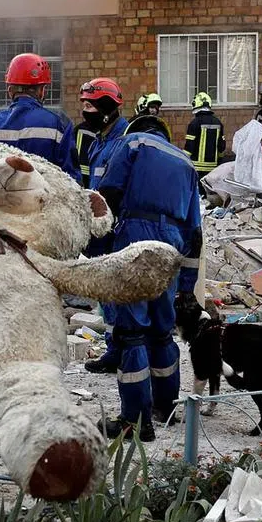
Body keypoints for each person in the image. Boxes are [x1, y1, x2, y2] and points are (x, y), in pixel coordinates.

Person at [96, 114, 201, 440]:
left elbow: (108, 196)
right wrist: (186, 286)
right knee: (161, 330)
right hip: (171, 244)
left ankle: (134, 421)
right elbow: (195, 233)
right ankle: (165, 406)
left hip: (136, 235)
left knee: (131, 333)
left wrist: (98, 250)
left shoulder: (131, 142)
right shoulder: (185, 161)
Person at [79, 77, 130, 375]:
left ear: (108, 107)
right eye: (84, 104)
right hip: (101, 227)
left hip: (119, 230)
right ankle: (114, 348)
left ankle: (124, 349)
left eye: (91, 105)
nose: (86, 111)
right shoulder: (99, 141)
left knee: (119, 294)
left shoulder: (124, 140)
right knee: (105, 293)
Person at [0, 53, 79, 182]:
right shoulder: (59, 124)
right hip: (41, 200)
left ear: (10, 90)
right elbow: (71, 179)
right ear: (42, 91)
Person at [184, 91, 225, 179]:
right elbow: (222, 146)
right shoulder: (218, 122)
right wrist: (220, 162)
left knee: (198, 191)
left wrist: (183, 160)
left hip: (196, 168)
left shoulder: (194, 123)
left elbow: (189, 147)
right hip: (213, 167)